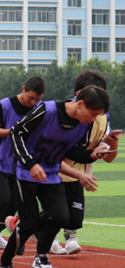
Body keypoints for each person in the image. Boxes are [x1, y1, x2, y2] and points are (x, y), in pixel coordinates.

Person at [0, 85, 109, 268]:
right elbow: (16, 133)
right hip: (25, 172)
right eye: (92, 114)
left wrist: (92, 155)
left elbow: (73, 152)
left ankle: (25, 231)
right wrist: (31, 164)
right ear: (80, 104)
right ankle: (3, 264)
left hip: (50, 174)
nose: (93, 119)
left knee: (60, 217)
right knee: (30, 223)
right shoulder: (46, 110)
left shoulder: (84, 124)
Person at [51, 70, 118, 255]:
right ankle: (45, 236)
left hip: (79, 173)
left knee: (74, 217)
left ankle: (70, 237)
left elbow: (109, 157)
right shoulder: (66, 113)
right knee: (58, 213)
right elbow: (62, 151)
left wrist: (111, 145)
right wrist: (90, 154)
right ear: (80, 94)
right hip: (56, 171)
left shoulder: (103, 117)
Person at [0, 76, 45, 248]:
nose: (33, 102)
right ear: (23, 88)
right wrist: (14, 131)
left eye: (38, 99)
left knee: (15, 201)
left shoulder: (39, 108)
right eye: (31, 97)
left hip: (20, 160)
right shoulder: (4, 105)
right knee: (2, 197)